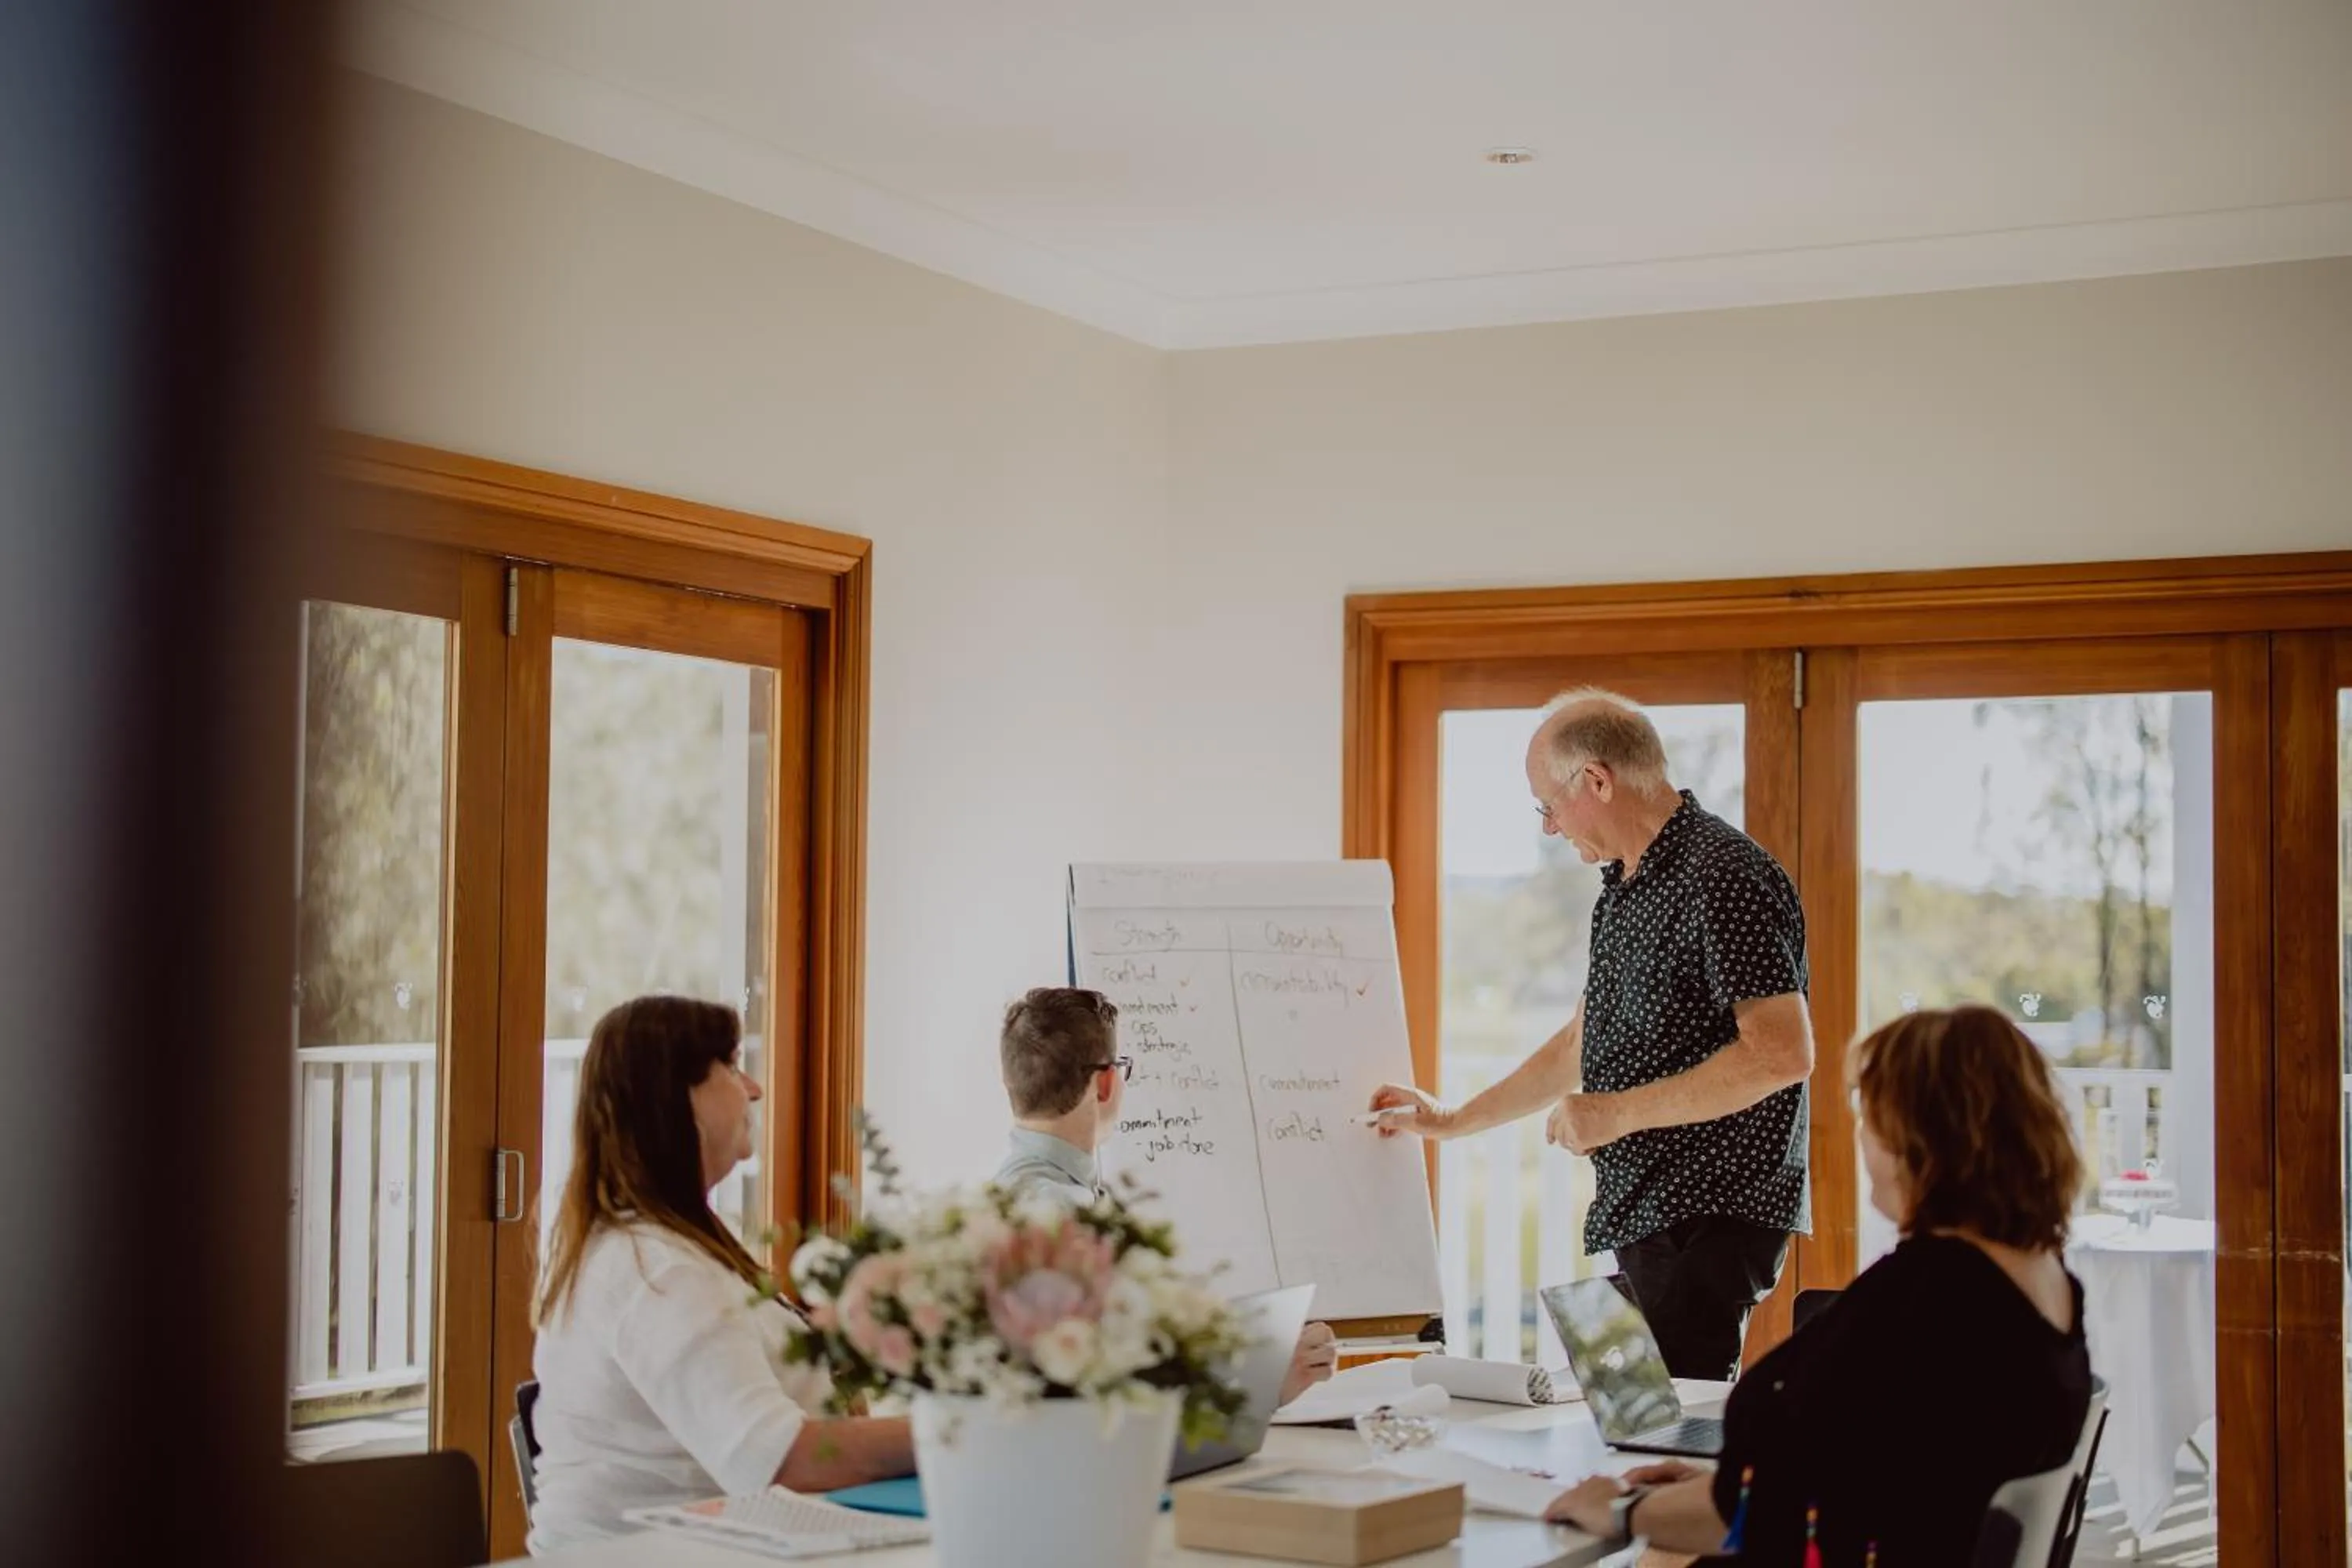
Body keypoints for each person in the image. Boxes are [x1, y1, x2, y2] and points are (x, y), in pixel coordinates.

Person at [1541, 1006, 2094, 1564]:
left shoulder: (1933, 1290)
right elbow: (1922, 1469)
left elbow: (1753, 1514)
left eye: (1870, 1112)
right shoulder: (2047, 1287)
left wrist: (1619, 1511)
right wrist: (1726, 1483)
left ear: (1922, 1135)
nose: (1862, 1135)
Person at [1370, 689, 1812, 1378]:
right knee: (1621, 1420)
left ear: (1597, 781)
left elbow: (1782, 1054)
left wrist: (1613, 1112)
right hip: (1645, 1213)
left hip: (1706, 1216)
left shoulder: (1723, 875)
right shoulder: (1627, 885)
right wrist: (1452, 1120)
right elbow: (1584, 1039)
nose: (1548, 827)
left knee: (1653, 1437)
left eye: (1548, 805)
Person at [527, 996, 913, 1552]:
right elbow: (775, 1456)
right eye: (731, 1066)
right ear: (674, 1098)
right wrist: (948, 1439)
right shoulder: (650, 1266)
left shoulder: (679, 1240)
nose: (753, 1088)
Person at [993, 985, 1340, 1405]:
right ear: (1106, 1082)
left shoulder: (1015, 1197)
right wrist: (1263, 1380)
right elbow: (1116, 1392)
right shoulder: (1066, 1217)